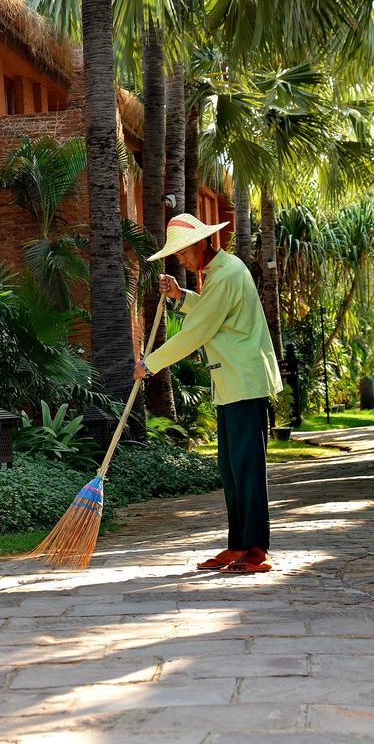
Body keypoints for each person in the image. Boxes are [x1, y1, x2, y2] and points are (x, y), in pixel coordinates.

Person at [133, 213, 282, 574]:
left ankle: (257, 550)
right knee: (231, 470)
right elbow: (216, 315)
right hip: (231, 383)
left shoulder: (227, 273)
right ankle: (237, 545)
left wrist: (149, 364)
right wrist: (180, 296)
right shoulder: (219, 274)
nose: (181, 260)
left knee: (247, 469)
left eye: (183, 253)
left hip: (244, 382)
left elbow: (197, 332)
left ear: (201, 244)